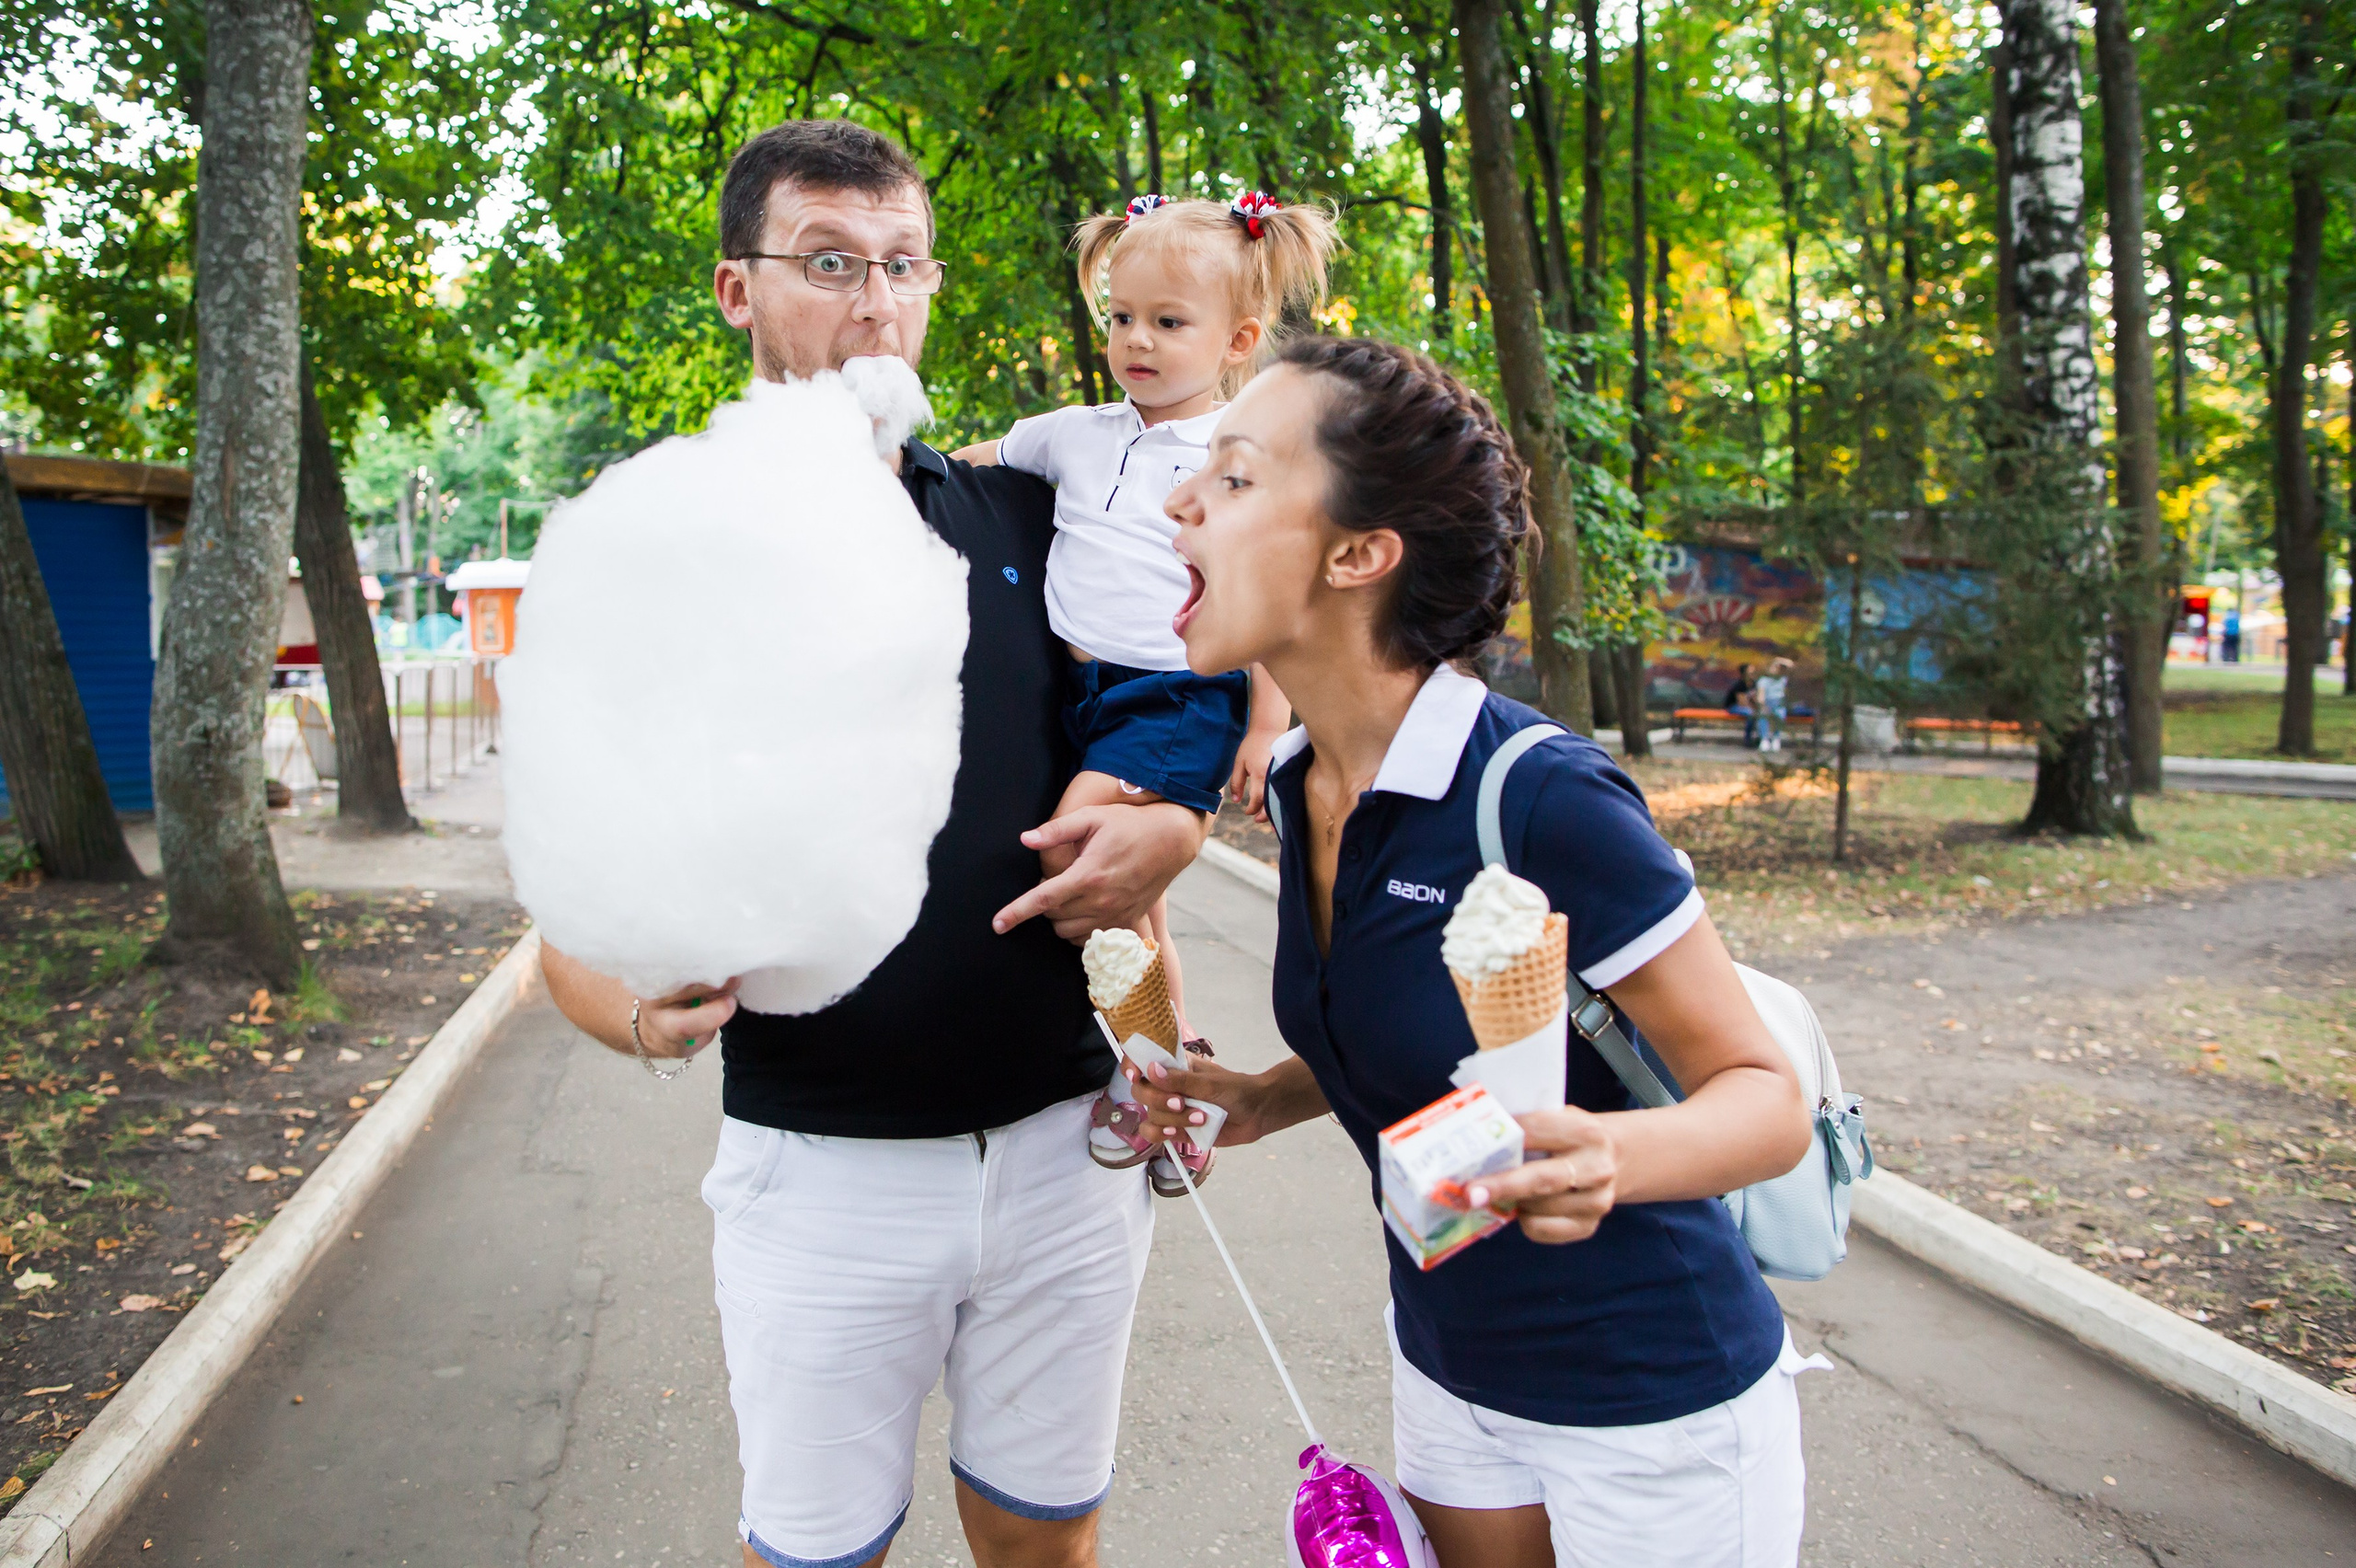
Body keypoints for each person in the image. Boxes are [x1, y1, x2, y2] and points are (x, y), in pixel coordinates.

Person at [537, 120, 1210, 1568]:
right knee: (811, 1553)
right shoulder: (659, 551)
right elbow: (567, 928)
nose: (872, 302)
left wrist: (1169, 858)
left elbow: (1153, 734)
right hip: (821, 1171)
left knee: (1048, 1538)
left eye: (900, 266)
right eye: (829, 263)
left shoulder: (1030, 515)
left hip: (1064, 1154)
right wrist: (644, 1019)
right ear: (739, 289)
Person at [1134, 337, 1820, 1568]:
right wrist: (1265, 1098)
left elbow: (1766, 1105)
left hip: (1654, 1404)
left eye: (1234, 480)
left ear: (1358, 554)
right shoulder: (1301, 782)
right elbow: (1418, 1044)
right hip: (1447, 1365)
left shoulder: (1541, 798)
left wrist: (1606, 1151)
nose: (1181, 499)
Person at [955, 191, 1336, 1190]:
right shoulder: (1072, 435)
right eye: (1121, 317)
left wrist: (1265, 726)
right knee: (1144, 917)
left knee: (1088, 859)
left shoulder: (1239, 460)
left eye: (1169, 322)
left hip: (1173, 700)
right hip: (1077, 699)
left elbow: (1260, 596)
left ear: (1236, 338)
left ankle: (1154, 1079)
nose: (1137, 340)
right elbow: (967, 467)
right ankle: (1174, 1091)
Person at [1755, 657, 1792, 753]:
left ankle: (1776, 738)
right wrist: (1763, 706)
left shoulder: (1784, 680)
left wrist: (1778, 661)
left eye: (1778, 668)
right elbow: (1760, 696)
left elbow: (1791, 665)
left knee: (1780, 715)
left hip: (1780, 703)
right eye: (1774, 667)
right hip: (1767, 703)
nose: (1776, 669)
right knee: (1763, 715)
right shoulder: (1763, 680)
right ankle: (1764, 740)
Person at [1723, 661, 1758, 746]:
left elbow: (1755, 700)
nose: (1753, 672)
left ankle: (1760, 738)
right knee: (1751, 713)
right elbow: (1742, 703)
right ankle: (1747, 740)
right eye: (1751, 670)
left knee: (1760, 714)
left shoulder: (1753, 684)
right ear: (1745, 672)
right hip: (1733, 707)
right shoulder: (1740, 684)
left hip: (1747, 707)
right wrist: (1754, 709)